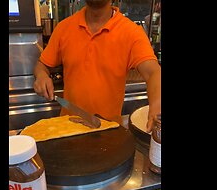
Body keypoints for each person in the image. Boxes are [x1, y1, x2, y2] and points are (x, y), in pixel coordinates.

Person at [33, 0, 161, 132]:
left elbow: (153, 72)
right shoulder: (64, 27)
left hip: (108, 132)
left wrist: (157, 104)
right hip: (67, 129)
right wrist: (41, 75)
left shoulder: (132, 33)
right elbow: (41, 65)